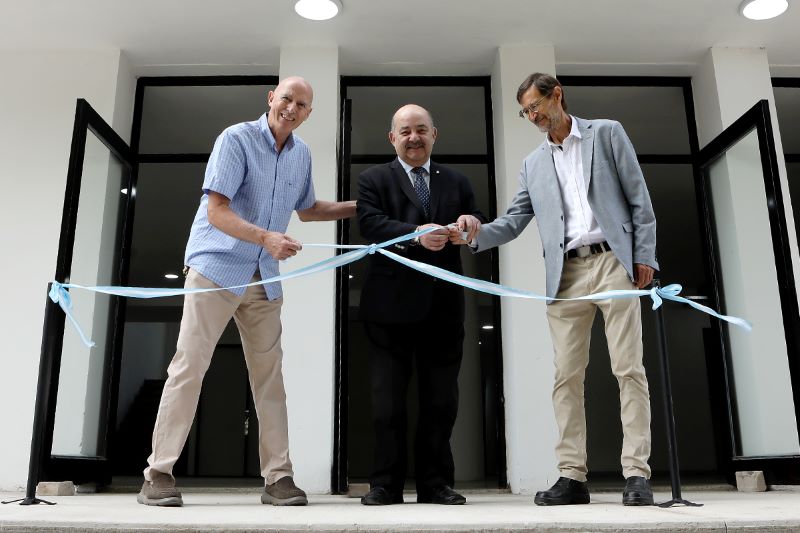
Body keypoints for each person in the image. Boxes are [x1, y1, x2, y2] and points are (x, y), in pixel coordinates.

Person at [137, 76, 356, 507]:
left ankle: (278, 479)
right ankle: (158, 473)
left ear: (309, 114)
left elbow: (309, 211)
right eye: (287, 99)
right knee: (189, 367)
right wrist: (266, 238)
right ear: (271, 99)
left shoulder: (302, 155)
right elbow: (215, 210)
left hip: (262, 277)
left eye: (302, 105)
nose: (292, 108)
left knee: (270, 379)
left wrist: (364, 205)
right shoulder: (236, 139)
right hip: (215, 267)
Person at [457, 73, 657, 506]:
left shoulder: (607, 134)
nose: (533, 116)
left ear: (557, 95)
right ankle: (572, 476)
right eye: (526, 112)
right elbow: (512, 222)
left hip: (613, 262)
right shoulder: (533, 164)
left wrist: (645, 256)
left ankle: (637, 473)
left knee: (628, 369)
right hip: (564, 275)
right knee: (566, 377)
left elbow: (639, 198)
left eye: (536, 106)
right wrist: (473, 234)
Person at [356, 104, 485, 506]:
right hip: (387, 310)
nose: (415, 138)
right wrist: (415, 233)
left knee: (441, 401)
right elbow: (370, 224)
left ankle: (435, 484)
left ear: (435, 135)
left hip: (443, 309)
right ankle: (385, 485)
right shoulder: (373, 179)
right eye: (406, 131)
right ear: (392, 138)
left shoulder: (458, 180)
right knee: (387, 403)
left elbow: (477, 217)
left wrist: (470, 224)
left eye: (422, 130)